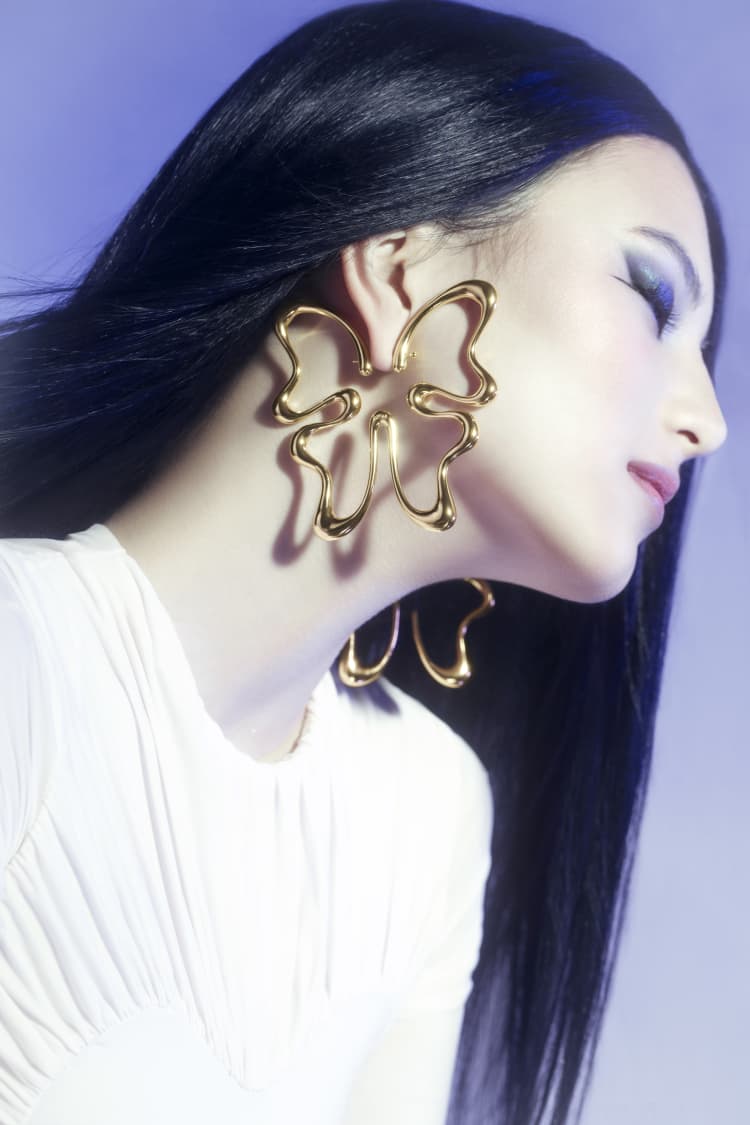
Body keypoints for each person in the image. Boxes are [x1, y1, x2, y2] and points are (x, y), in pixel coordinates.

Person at [0, 2, 729, 1123]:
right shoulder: (25, 661)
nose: (708, 421)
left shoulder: (428, 815)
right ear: (398, 269)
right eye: (653, 296)